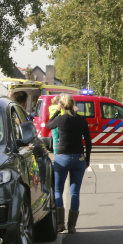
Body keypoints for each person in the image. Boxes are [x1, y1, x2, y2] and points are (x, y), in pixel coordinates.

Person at [46, 93, 92, 233]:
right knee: (75, 193)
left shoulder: (60, 119)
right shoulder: (82, 120)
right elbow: (89, 142)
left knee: (58, 191)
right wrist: (87, 160)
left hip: (62, 158)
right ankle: (72, 226)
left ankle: (60, 224)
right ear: (73, 104)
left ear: (61, 105)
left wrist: (57, 111)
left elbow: (48, 125)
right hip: (78, 158)